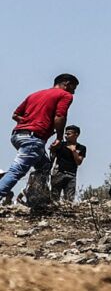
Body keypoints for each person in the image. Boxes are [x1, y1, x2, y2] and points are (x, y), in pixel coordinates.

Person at [0, 74, 79, 206]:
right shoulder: (65, 95)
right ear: (66, 83)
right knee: (17, 171)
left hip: (18, 135)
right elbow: (60, 116)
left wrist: (30, 122)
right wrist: (59, 138)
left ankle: (36, 199)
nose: (74, 91)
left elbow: (16, 115)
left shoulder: (35, 95)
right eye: (73, 87)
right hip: (33, 138)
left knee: (44, 166)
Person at [48, 124, 86, 202]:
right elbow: (52, 158)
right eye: (65, 133)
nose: (66, 136)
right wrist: (52, 150)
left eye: (69, 134)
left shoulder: (81, 148)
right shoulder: (61, 145)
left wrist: (74, 151)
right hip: (59, 173)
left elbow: (79, 162)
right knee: (54, 198)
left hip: (71, 175)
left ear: (76, 135)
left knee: (69, 200)